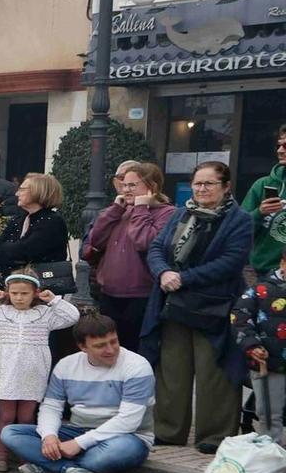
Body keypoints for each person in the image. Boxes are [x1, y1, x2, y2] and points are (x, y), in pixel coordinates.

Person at [143, 160, 252, 452]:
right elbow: (156, 248)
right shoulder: (181, 214)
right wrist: (163, 272)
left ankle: (214, 437)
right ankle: (168, 430)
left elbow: (231, 262)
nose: (202, 189)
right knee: (171, 371)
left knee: (213, 372)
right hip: (173, 304)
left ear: (226, 187)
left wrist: (184, 277)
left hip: (214, 307)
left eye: (209, 183)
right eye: (198, 183)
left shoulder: (239, 220)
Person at [0, 314, 154, 473]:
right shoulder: (66, 365)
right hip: (77, 430)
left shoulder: (137, 367)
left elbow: (128, 421)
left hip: (126, 436)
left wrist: (79, 444)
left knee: (120, 451)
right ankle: (71, 470)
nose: (110, 350)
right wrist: (49, 436)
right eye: (100, 345)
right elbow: (51, 406)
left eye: (114, 341)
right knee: (11, 433)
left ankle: (52, 467)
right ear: (82, 347)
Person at [0, 272, 81, 464]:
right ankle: (2, 457)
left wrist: (53, 300)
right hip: (6, 372)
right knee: (7, 415)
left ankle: (25, 456)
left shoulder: (45, 314)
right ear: (7, 292)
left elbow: (72, 316)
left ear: (35, 293)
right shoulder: (0, 314)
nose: (19, 298)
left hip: (32, 372)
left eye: (24, 293)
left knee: (26, 417)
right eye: (14, 293)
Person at [82, 160, 176, 352]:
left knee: (135, 349)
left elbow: (145, 242)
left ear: (152, 187)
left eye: (133, 185)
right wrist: (115, 210)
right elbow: (96, 239)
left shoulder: (168, 213)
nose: (126, 190)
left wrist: (141, 209)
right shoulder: (122, 210)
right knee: (110, 347)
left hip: (141, 295)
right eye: (124, 185)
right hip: (109, 293)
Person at [235, 246, 286, 440]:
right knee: (269, 413)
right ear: (282, 262)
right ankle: (271, 454)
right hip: (268, 362)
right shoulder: (260, 290)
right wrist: (252, 345)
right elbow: (240, 318)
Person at [0, 173, 68, 271]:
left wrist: (7, 250)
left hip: (41, 281)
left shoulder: (52, 221)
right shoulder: (18, 219)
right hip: (10, 281)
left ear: (38, 191)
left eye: (22, 189)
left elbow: (26, 251)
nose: (17, 193)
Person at [240, 125, 286, 277]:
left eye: (285, 145)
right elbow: (239, 228)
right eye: (278, 145)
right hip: (265, 272)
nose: (280, 150)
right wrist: (259, 213)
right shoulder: (263, 185)